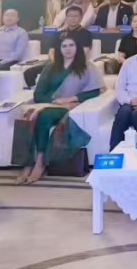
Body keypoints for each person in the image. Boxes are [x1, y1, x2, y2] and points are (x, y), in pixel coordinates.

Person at [14, 34, 103, 185]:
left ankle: (40, 162)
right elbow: (38, 94)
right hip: (48, 105)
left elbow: (94, 91)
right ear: (59, 49)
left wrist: (71, 98)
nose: (68, 49)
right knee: (28, 117)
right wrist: (53, 101)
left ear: (78, 48)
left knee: (43, 116)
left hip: (69, 107)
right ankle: (27, 164)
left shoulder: (87, 67)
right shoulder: (50, 67)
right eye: (64, 46)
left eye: (71, 45)